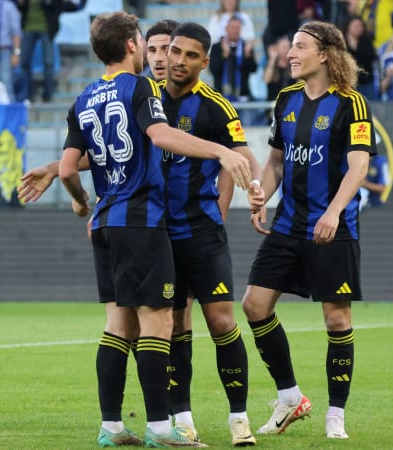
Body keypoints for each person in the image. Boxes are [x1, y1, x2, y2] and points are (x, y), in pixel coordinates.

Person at [58, 11, 251, 447]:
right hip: (143, 221)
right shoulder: (142, 86)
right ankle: (163, 430)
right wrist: (221, 151)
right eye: (145, 42)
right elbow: (161, 136)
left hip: (105, 222)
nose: (153, 52)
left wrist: (83, 200)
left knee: (116, 326)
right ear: (131, 45)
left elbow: (69, 167)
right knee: (159, 323)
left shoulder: (83, 98)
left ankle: (110, 428)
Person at [244, 21, 374, 440]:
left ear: (325, 54)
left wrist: (334, 211)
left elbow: (359, 166)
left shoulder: (352, 103)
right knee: (254, 305)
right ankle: (290, 397)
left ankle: (336, 414)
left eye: (300, 47)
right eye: (291, 46)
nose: (290, 53)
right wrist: (262, 191)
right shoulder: (285, 99)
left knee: (336, 320)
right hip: (287, 225)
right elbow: (277, 161)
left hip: (333, 226)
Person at [158, 21, 262, 447]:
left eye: (188, 55)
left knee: (221, 321)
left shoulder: (215, 107)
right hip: (158, 236)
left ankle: (239, 418)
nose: (177, 61)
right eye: (173, 51)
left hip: (203, 233)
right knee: (175, 326)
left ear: (204, 60)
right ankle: (182, 419)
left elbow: (242, 154)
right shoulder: (146, 99)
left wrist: (254, 187)